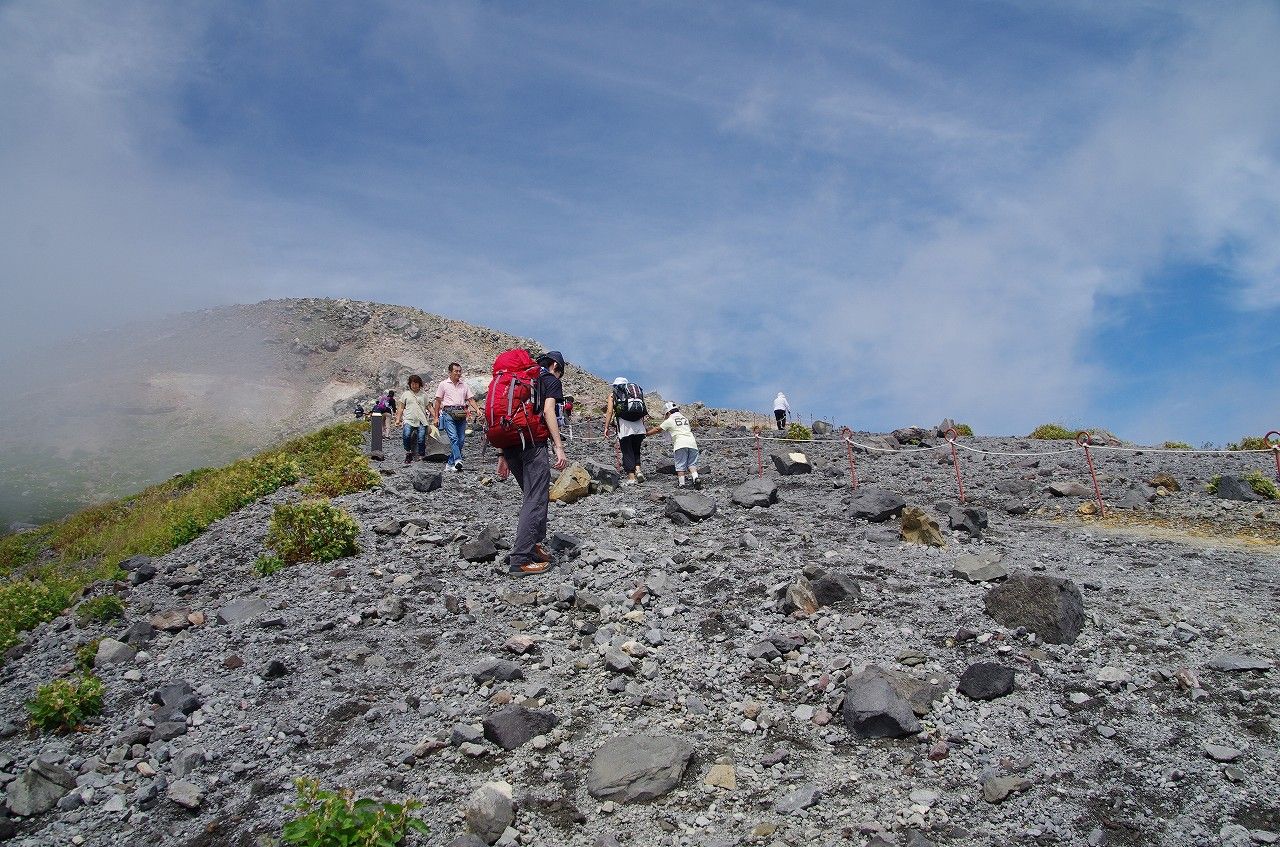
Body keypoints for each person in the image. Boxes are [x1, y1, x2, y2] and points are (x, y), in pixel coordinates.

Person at [502, 351, 569, 576]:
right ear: (554, 366)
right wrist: (558, 446)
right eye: (559, 371)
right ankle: (520, 559)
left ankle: (534, 546)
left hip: (510, 444)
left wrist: (502, 455)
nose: (559, 376)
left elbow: (507, 414)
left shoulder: (519, 379)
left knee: (534, 496)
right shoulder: (549, 380)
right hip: (532, 444)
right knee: (535, 498)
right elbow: (549, 410)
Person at [433, 362, 483, 472]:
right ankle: (458, 460)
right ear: (450, 372)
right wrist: (436, 417)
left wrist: (478, 409)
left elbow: (470, 399)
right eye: (456, 371)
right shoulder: (443, 384)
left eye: (460, 371)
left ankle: (450, 463)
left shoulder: (464, 385)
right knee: (454, 438)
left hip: (461, 413)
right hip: (448, 413)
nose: (458, 373)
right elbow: (437, 401)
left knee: (461, 440)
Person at [646, 402, 701, 488]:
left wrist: (647, 434)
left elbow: (657, 429)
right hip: (692, 443)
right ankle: (695, 477)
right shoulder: (685, 418)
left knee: (680, 464)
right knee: (692, 464)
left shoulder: (670, 420)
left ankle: (681, 484)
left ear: (668, 412)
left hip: (680, 443)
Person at [604, 377, 647, 485]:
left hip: (624, 426)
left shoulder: (613, 395)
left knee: (627, 451)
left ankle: (631, 478)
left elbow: (609, 411)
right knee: (636, 449)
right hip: (639, 425)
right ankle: (638, 471)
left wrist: (606, 427)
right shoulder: (635, 393)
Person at [393, 375, 436, 464]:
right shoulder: (406, 394)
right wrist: (398, 419)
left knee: (421, 438)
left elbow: (429, 407)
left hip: (421, 420)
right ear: (410, 384)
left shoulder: (424, 395)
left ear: (419, 384)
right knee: (406, 435)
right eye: (412, 383)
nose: (414, 385)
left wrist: (436, 417)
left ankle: (421, 455)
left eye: (416, 383)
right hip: (409, 419)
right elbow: (401, 408)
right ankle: (408, 453)